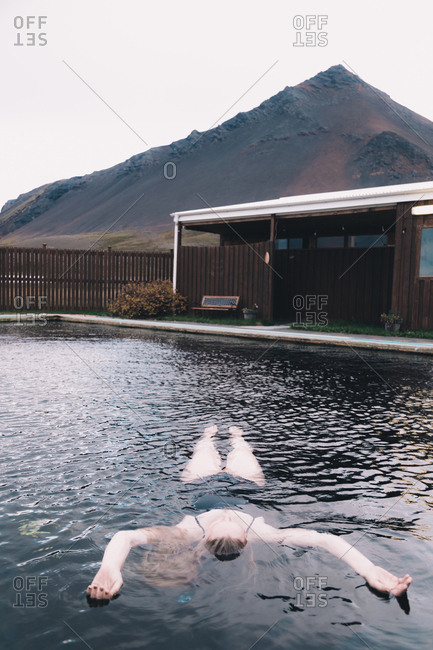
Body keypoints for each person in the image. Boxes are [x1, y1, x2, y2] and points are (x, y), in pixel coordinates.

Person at [87, 425, 412, 601]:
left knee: (203, 451)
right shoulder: (264, 535)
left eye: (221, 525)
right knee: (242, 450)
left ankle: (208, 437)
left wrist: (110, 568)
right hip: (246, 485)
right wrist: (369, 571)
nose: (227, 518)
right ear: (247, 539)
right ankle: (237, 437)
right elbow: (325, 540)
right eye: (234, 525)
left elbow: (125, 536)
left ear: (206, 539)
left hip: (199, 485)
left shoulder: (188, 532)